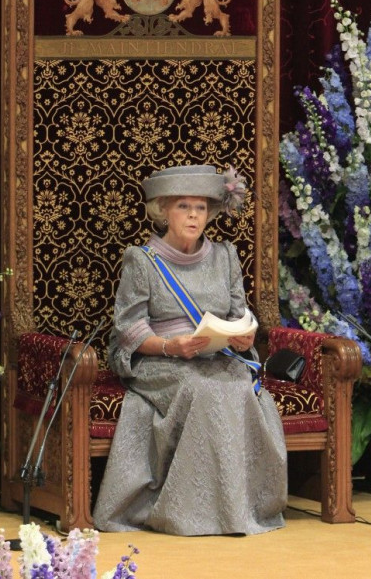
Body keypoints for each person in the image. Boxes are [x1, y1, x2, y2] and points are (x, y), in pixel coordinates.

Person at [93, 164, 288, 536]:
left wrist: (244, 335)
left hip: (216, 355)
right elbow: (129, 328)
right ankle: (187, 513)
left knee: (239, 388)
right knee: (203, 390)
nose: (193, 216)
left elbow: (238, 313)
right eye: (184, 206)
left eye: (200, 208)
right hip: (159, 360)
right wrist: (171, 346)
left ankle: (236, 510)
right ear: (163, 210)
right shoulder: (141, 259)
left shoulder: (225, 255)